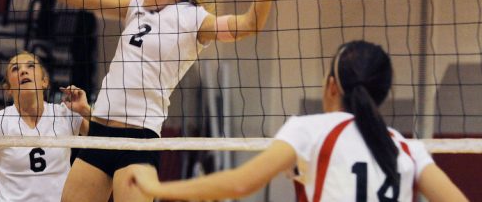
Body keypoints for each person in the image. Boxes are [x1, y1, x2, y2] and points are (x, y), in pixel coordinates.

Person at [24, 0, 290, 202]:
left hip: (138, 142)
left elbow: (249, 24)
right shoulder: (135, 8)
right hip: (99, 134)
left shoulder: (195, 21)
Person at [130, 40, 469, 202]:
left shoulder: (309, 129)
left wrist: (158, 188)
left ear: (332, 85)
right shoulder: (407, 148)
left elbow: (237, 184)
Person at [0, 51, 90, 202]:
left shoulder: (65, 114)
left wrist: (86, 111)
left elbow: (107, 141)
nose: (23, 71)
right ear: (8, 89)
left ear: (44, 82)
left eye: (30, 66)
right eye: (15, 69)